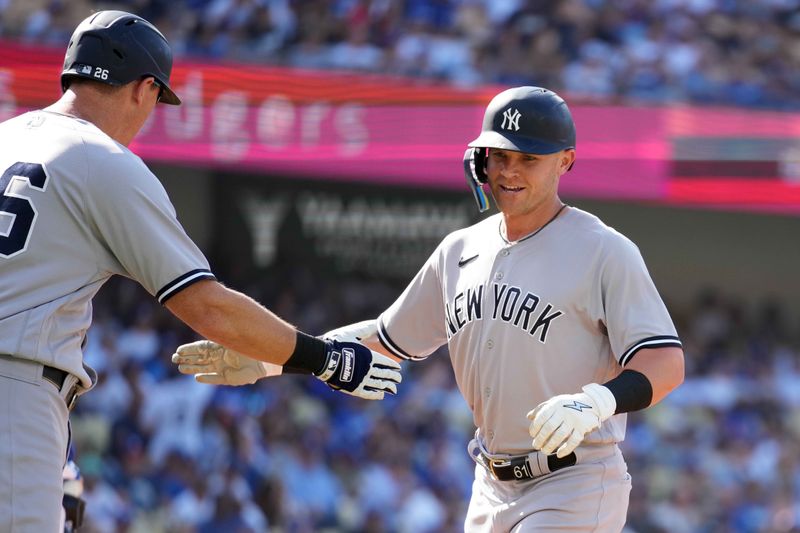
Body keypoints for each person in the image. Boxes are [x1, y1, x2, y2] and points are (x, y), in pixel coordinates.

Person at [174, 86, 685, 532]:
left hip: (574, 479)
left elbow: (665, 362)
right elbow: (385, 339)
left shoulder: (604, 250)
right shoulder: (459, 249)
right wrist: (269, 359)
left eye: (529, 159)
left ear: (566, 160)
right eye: (499, 155)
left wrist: (597, 401)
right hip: (489, 484)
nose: (509, 171)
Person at [0, 10, 400, 532]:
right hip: (15, 389)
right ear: (144, 89)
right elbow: (206, 306)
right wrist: (325, 359)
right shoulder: (103, 159)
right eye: (156, 100)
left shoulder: (8, 135)